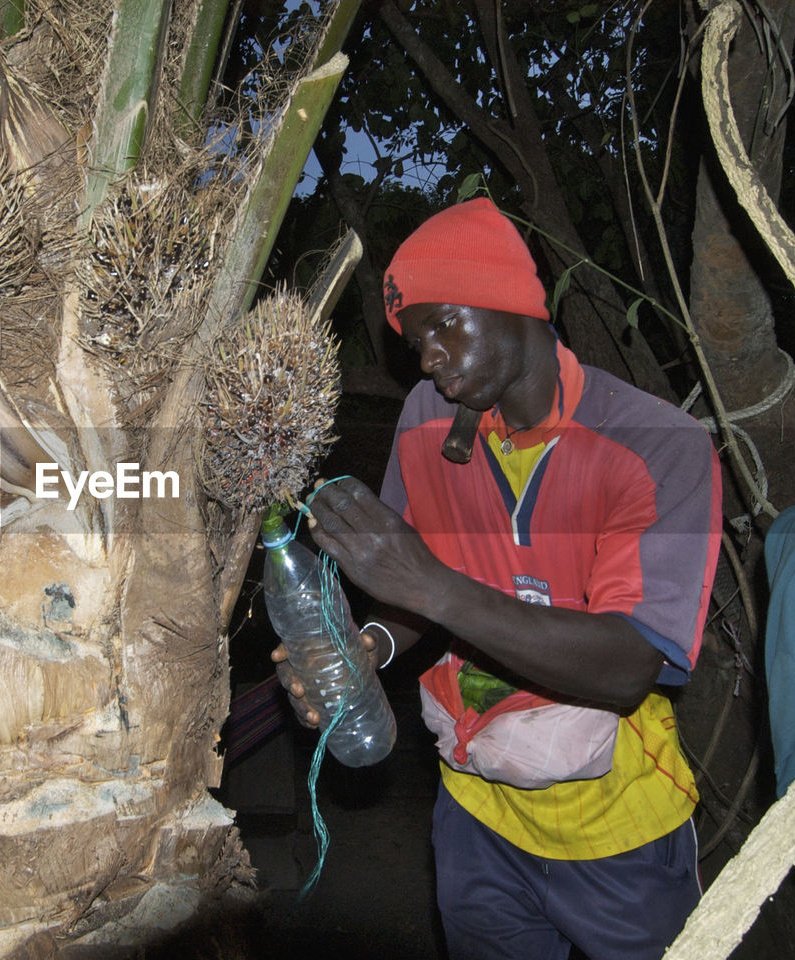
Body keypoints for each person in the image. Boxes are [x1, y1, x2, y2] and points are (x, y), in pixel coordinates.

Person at [273, 197, 722, 960]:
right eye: (416, 343)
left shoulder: (655, 445)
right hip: (475, 810)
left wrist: (434, 587)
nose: (428, 359)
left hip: (616, 827)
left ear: (509, 300)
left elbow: (626, 665)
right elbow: (408, 596)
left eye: (443, 324)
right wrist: (367, 648)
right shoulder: (424, 420)